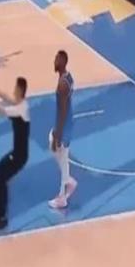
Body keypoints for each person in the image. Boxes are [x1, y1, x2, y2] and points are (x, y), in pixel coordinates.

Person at [0, 76, 30, 230]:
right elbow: (6, 98)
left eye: (15, 88)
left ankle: (1, 217)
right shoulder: (21, 104)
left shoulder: (20, 110)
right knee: (1, 165)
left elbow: (1, 110)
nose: (13, 90)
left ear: (20, 90)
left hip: (19, 156)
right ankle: (3, 196)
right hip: (17, 153)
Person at [48, 50, 77, 209]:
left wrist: (58, 134)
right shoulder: (68, 77)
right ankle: (68, 181)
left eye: (56, 60)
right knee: (61, 156)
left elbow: (63, 111)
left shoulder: (62, 85)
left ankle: (62, 197)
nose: (54, 62)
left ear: (62, 62)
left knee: (59, 151)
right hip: (67, 122)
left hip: (64, 125)